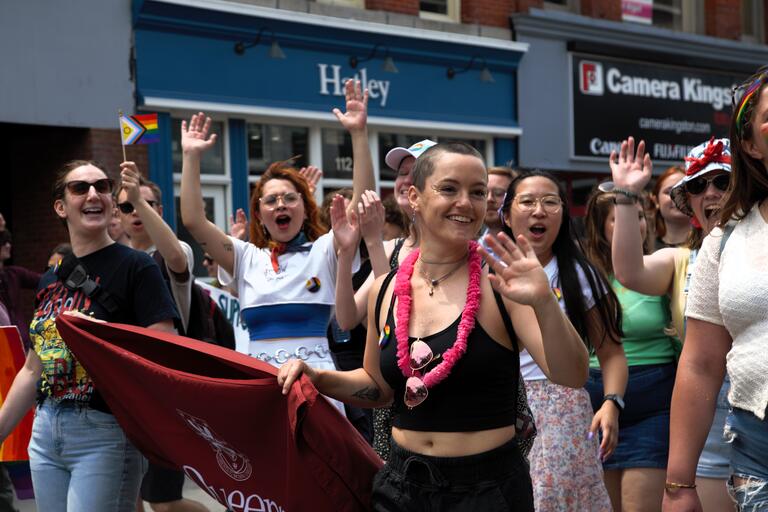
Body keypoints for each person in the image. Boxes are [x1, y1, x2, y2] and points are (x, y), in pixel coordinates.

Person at [277, 142, 589, 510]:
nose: (465, 203)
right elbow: (378, 387)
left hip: (485, 491)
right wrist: (317, 377)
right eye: (449, 189)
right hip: (401, 485)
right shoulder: (385, 288)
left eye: (478, 192)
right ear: (414, 197)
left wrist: (544, 302)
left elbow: (572, 375)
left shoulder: (500, 283)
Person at [179, 80, 375, 415]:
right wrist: (191, 157)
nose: (280, 204)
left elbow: (362, 206)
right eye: (271, 200)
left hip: (318, 385)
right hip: (261, 385)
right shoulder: (245, 257)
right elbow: (194, 221)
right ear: (259, 214)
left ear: (305, 208)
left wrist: (358, 134)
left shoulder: (324, 250)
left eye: (289, 198)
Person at [0, 160, 178, 512]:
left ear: (112, 201)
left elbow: (163, 347)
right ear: (60, 207)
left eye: (103, 186)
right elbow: (33, 370)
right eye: (80, 188)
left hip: (106, 431)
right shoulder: (50, 279)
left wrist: (98, 333)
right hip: (45, 430)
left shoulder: (136, 266)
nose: (94, 194)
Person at [610, 137, 734, 512]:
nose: (709, 192)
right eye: (697, 186)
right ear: (689, 203)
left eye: (722, 181)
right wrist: (626, 195)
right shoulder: (681, 260)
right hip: (708, 415)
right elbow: (630, 271)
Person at [664, 67, 768, 512]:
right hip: (758, 453)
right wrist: (678, 485)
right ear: (751, 145)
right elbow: (701, 364)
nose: (710, 192)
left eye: (718, 182)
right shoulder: (724, 241)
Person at [501, 169, 626, 511]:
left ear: (563, 215)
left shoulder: (580, 274)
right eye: (527, 201)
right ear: (506, 214)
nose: (539, 211)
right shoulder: (484, 271)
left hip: (562, 411)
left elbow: (612, 354)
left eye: (550, 202)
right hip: (497, 405)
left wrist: (612, 403)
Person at [116, 164, 209, 512]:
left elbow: (175, 257)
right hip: (122, 392)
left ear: (159, 209)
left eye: (144, 203)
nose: (135, 211)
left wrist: (137, 199)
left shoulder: (175, 251)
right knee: (129, 499)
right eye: (127, 206)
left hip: (165, 394)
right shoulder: (113, 262)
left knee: (165, 501)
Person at [583, 186, 680, 511]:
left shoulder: (659, 268)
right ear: (601, 226)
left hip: (653, 404)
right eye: (619, 218)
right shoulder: (584, 275)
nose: (634, 223)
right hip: (595, 406)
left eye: (639, 216)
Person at [0, 229, 42, 349]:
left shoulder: (13, 274)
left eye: (8, 241)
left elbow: (43, 280)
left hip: (22, 342)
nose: (8, 245)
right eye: (3, 242)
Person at [651, 166, 691, 249]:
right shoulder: (645, 247)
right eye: (669, 192)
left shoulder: (710, 245)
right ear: (656, 201)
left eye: (684, 191)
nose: (677, 197)